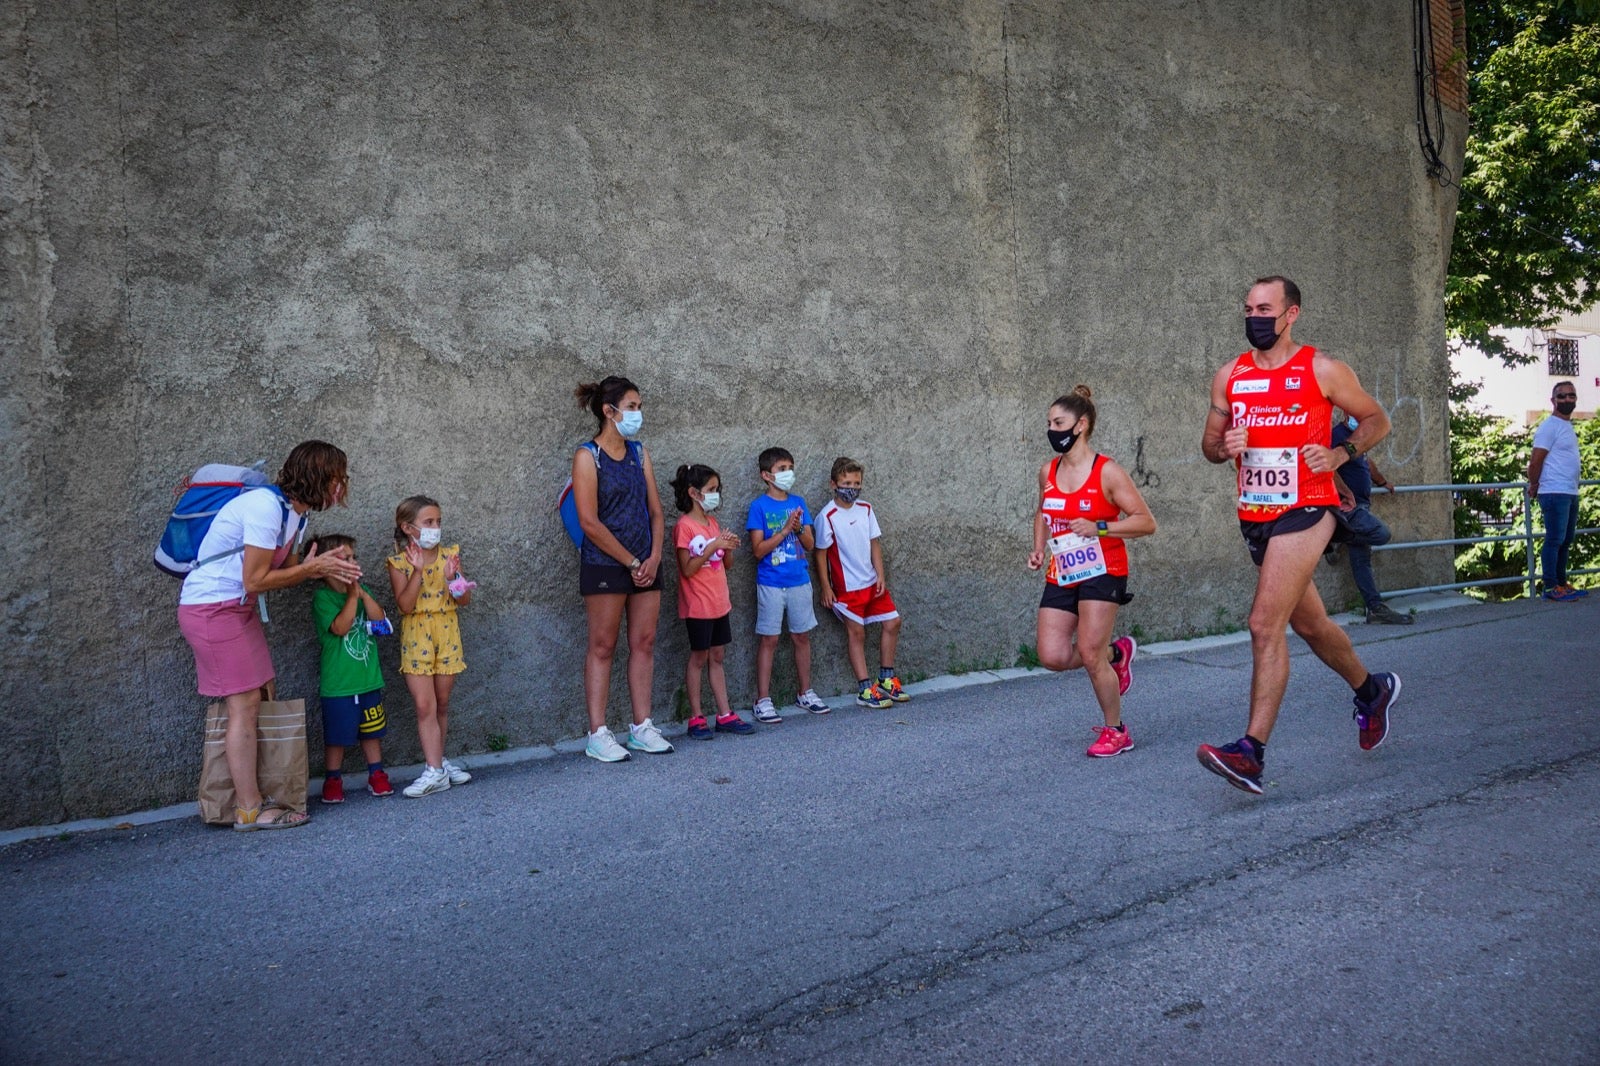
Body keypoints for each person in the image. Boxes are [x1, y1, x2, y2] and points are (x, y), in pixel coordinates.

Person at [1196, 276, 1402, 795]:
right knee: (1310, 625)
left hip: (1308, 506)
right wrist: (1224, 447)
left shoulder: (1321, 368)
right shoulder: (1230, 376)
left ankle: (1251, 753)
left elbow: (1376, 419)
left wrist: (1339, 454)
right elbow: (1210, 446)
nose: (1254, 318)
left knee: (1264, 624)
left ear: (1292, 314)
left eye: (1265, 309)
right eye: (1248, 309)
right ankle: (1372, 691)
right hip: (1255, 514)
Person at [177, 440, 362, 831]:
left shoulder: (295, 516)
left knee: (260, 696)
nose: (342, 487)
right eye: (338, 478)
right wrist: (310, 570)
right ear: (318, 477)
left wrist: (309, 567)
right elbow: (255, 579)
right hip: (213, 609)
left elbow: (280, 574)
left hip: (236, 609)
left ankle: (254, 795)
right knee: (244, 704)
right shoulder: (265, 507)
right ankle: (249, 809)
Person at [1027, 386, 1157, 757]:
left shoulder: (1107, 472)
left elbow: (1146, 522)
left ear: (1081, 425)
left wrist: (1100, 527)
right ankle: (1117, 655)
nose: (1052, 430)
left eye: (1059, 423)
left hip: (1104, 570)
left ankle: (1116, 731)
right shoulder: (1048, 470)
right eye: (1049, 423)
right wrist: (1038, 548)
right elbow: (1043, 512)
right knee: (1052, 655)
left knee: (1088, 653)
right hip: (1063, 571)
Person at [571, 376, 674, 761]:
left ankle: (641, 727)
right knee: (603, 646)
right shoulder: (588, 457)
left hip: (647, 563)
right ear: (608, 411)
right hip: (606, 564)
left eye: (639, 406)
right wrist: (629, 561)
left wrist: (654, 557)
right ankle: (598, 733)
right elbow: (589, 521)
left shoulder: (640, 453)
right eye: (632, 406)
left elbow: (657, 512)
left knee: (644, 642)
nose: (638, 414)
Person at [387, 496, 476, 797]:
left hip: (447, 632)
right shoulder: (399, 563)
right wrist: (417, 571)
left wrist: (453, 579)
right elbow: (405, 606)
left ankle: (438, 761)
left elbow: (464, 599)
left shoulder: (450, 555)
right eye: (428, 522)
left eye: (438, 521)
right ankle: (434, 770)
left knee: (441, 703)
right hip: (417, 635)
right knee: (425, 706)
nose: (435, 527)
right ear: (408, 527)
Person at [814, 457, 908, 709]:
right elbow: (820, 553)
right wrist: (826, 587)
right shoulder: (827, 516)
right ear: (833, 484)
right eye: (846, 483)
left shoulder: (866, 509)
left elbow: (874, 543)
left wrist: (880, 574)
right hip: (847, 589)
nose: (852, 488)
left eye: (857, 483)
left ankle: (886, 679)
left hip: (871, 583)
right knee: (857, 633)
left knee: (893, 622)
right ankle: (865, 689)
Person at [746, 447, 831, 721]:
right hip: (771, 583)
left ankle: (805, 692)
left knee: (801, 636)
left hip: (799, 581)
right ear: (766, 475)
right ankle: (763, 699)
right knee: (769, 639)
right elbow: (758, 550)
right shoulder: (759, 507)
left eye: (790, 468)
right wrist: (784, 530)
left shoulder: (798, 502)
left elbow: (809, 544)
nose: (788, 473)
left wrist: (798, 528)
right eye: (782, 469)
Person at [307, 533, 393, 803]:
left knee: (372, 731)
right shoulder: (323, 598)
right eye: (345, 559)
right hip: (339, 686)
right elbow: (341, 628)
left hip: (368, 680)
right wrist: (353, 597)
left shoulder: (362, 592)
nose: (353, 563)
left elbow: (381, 622)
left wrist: (362, 594)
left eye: (354, 558)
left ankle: (376, 773)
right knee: (337, 736)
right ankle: (333, 779)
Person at [670, 464, 753, 739]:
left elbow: (726, 565)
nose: (716, 494)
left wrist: (727, 547)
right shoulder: (684, 527)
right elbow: (688, 569)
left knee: (717, 656)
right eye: (711, 489)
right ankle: (696, 717)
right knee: (699, 658)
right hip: (698, 606)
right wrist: (713, 546)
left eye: (717, 489)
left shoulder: (713, 523)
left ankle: (724, 713)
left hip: (719, 603)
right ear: (694, 493)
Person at [1329, 415, 1413, 624]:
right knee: (1381, 533)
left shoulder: (1358, 436)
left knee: (1361, 562)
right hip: (1350, 508)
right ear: (1347, 414)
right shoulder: (1337, 435)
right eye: (1358, 415)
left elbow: (1367, 462)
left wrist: (1382, 482)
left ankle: (1374, 609)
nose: (1362, 418)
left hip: (1362, 506)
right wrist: (1346, 492)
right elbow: (1328, 468)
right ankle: (1338, 536)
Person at [1528, 380, 1587, 601]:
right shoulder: (1549, 427)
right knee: (1554, 540)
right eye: (1562, 396)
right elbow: (1535, 462)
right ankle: (1551, 586)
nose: (1567, 399)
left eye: (1571, 395)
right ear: (1553, 400)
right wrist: (1534, 484)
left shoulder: (1566, 426)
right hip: (1554, 491)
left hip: (1569, 491)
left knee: (1566, 540)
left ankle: (1562, 584)